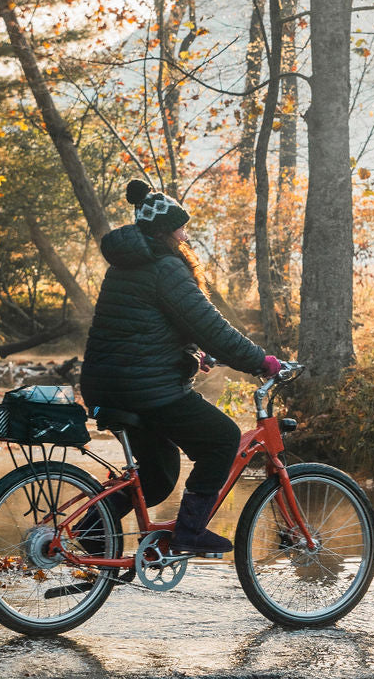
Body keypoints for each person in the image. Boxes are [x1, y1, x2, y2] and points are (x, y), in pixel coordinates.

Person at [80, 179, 282, 555]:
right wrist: (260, 361)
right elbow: (211, 327)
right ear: (165, 231)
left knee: (159, 475)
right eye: (181, 228)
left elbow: (143, 327)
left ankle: (90, 529)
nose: (185, 235)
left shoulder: (125, 266)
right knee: (222, 439)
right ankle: (189, 533)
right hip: (144, 389)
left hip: (107, 384)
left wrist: (189, 352)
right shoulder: (165, 268)